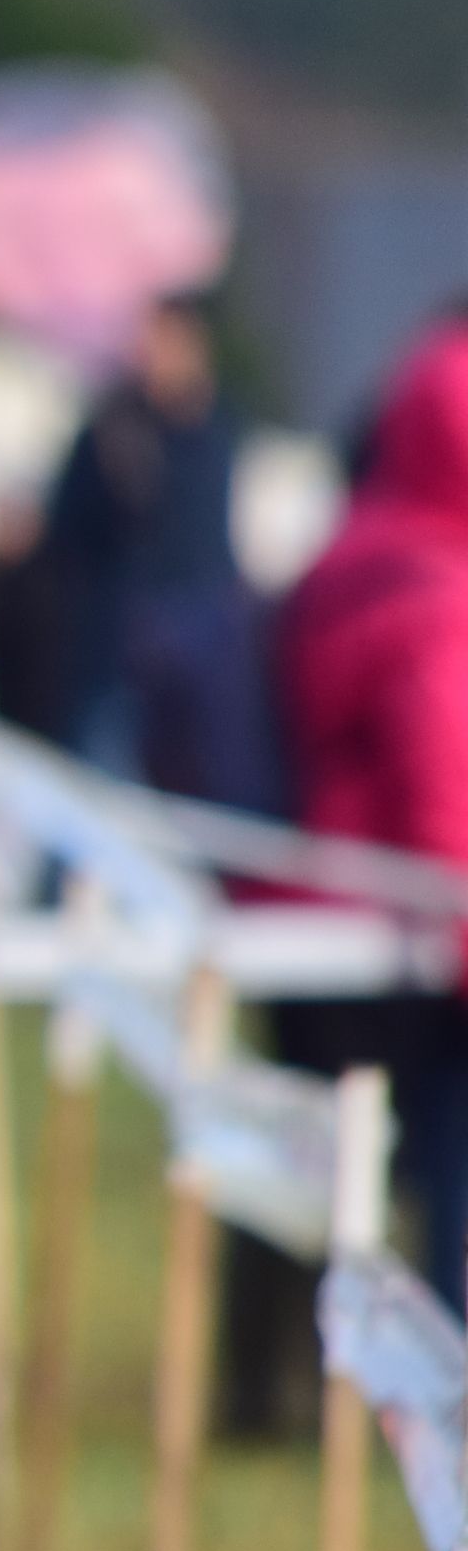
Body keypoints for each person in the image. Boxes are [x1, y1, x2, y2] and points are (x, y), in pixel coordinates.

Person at [277, 302, 468, 1318]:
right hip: (419, 946)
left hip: (352, 931)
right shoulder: (438, 593)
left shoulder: (363, 552)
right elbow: (447, 803)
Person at [39, 291, 278, 811]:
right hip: (121, 640)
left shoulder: (218, 424)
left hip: (203, 632)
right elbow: (67, 533)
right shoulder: (111, 429)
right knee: (105, 793)